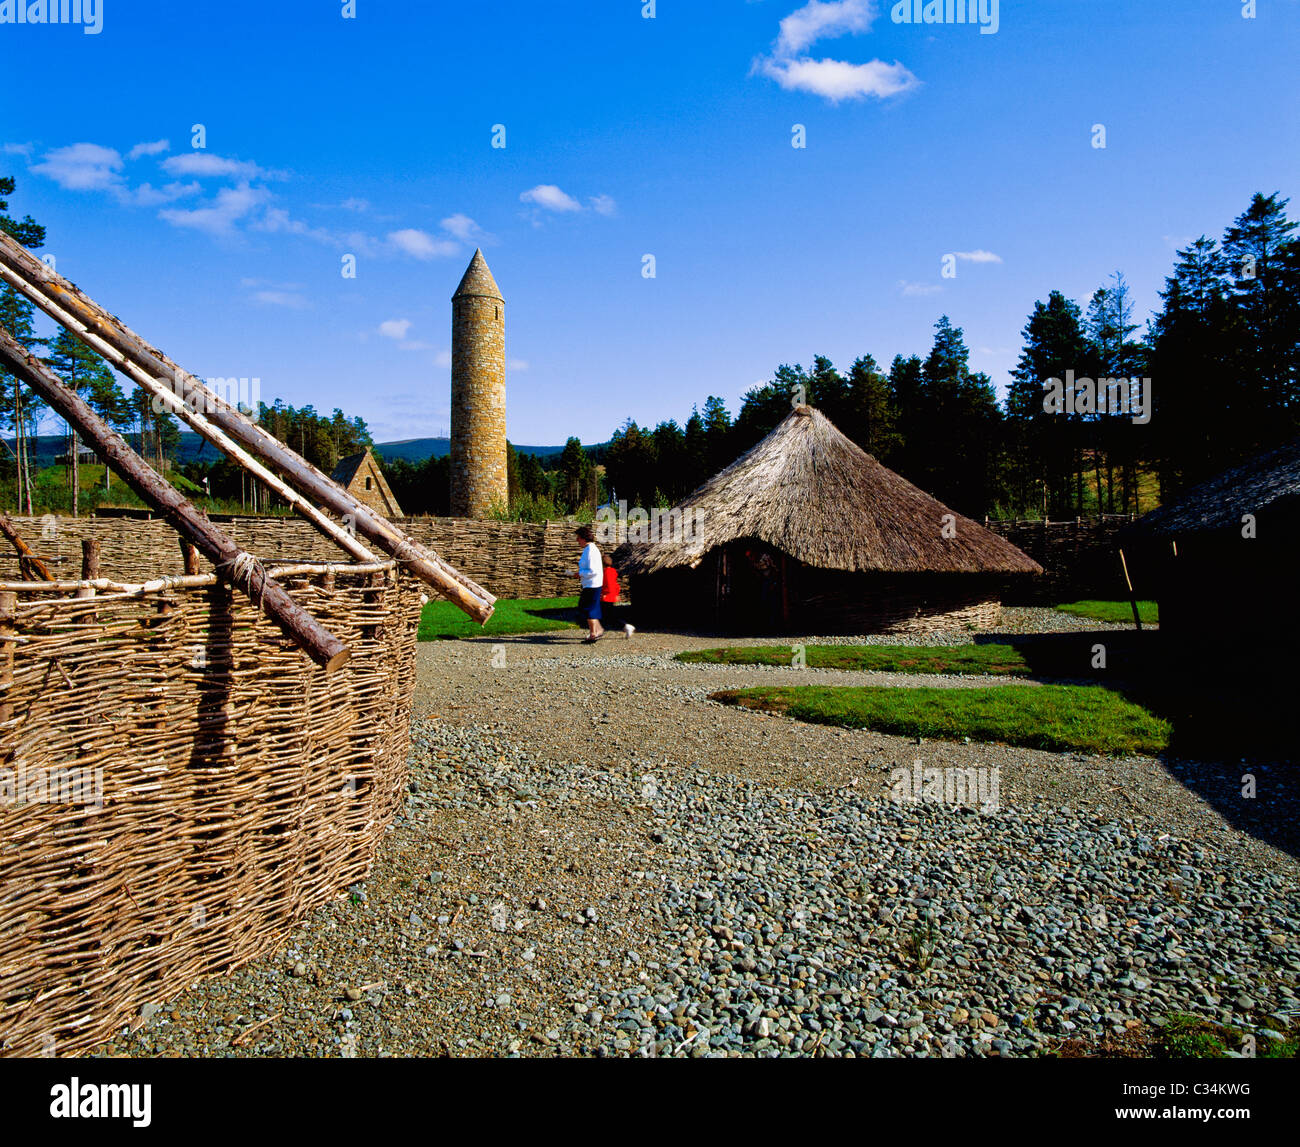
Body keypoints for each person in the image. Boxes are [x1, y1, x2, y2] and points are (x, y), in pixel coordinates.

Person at [574, 525, 604, 642]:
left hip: (592, 584)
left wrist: (580, 573)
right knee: (588, 607)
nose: (577, 540)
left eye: (578, 538)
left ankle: (593, 634)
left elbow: (592, 570)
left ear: (584, 538)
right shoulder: (589, 549)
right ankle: (598, 630)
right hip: (591, 584)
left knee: (588, 609)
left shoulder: (590, 550)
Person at [601, 552, 635, 638]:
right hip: (611, 596)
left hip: (607, 596)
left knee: (608, 615)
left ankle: (626, 626)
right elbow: (616, 585)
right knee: (608, 615)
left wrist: (605, 594)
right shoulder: (613, 571)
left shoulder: (606, 572)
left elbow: (608, 584)